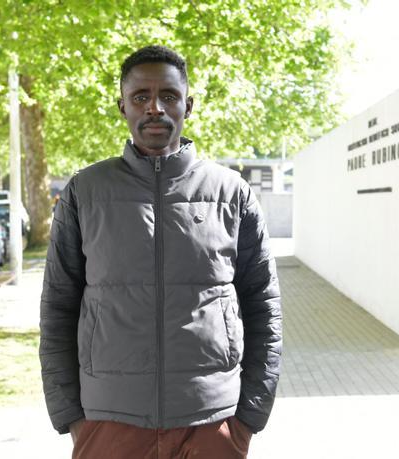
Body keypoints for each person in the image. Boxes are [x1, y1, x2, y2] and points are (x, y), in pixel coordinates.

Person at [39, 45, 282, 458]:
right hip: (108, 421)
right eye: (141, 97)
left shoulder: (231, 194)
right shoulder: (85, 192)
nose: (155, 108)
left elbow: (264, 306)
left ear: (189, 104)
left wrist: (249, 416)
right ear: (123, 106)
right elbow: (58, 308)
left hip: (212, 422)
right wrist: (70, 416)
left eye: (169, 95)